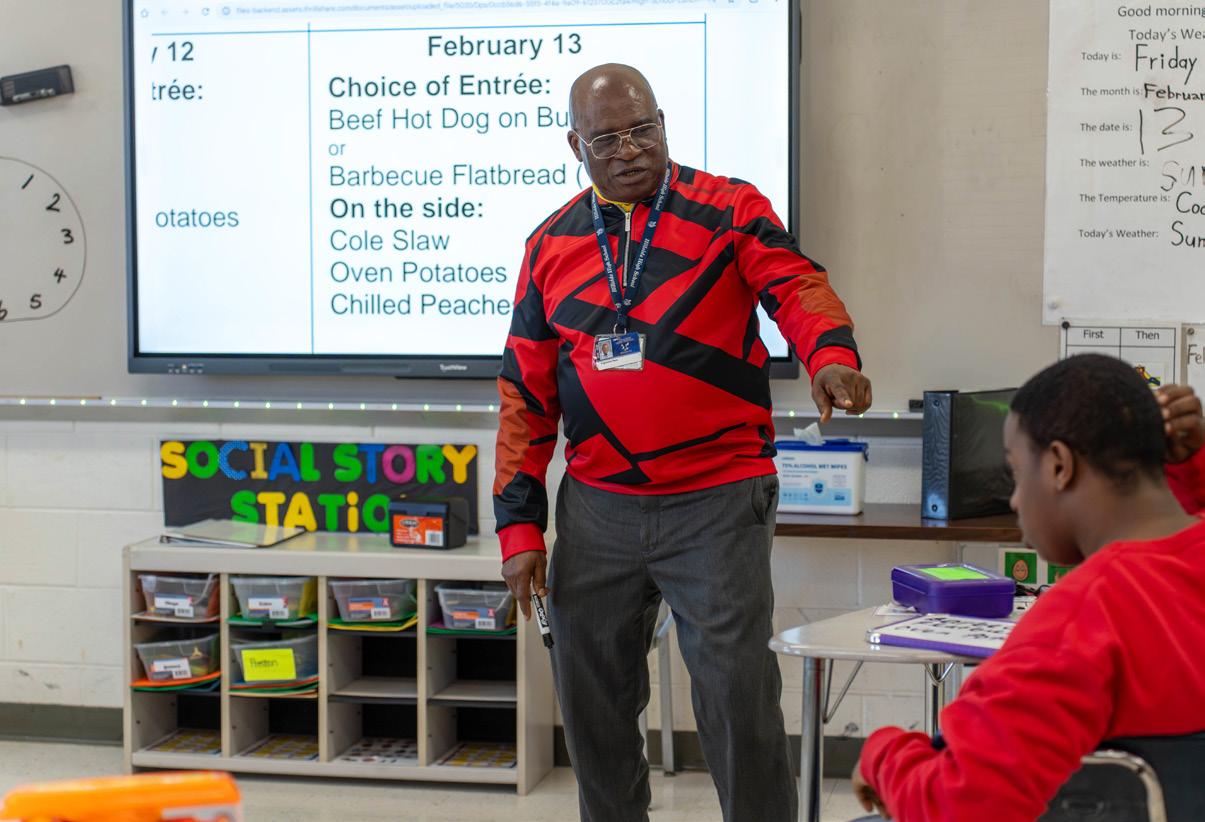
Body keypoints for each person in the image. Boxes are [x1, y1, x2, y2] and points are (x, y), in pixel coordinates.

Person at [493, 63, 872, 821]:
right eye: (607, 139)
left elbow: (795, 285)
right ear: (575, 145)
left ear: (663, 123)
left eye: (643, 129)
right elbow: (524, 399)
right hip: (598, 509)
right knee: (592, 704)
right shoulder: (549, 246)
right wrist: (519, 531)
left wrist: (831, 356)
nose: (630, 149)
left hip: (717, 499)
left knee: (736, 697)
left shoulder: (728, 210)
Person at [851, 355, 1205, 821]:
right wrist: (1191, 470)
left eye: (1016, 473)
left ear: (1059, 465)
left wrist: (881, 755)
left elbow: (957, 806)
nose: (1016, 500)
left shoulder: (1081, 619)